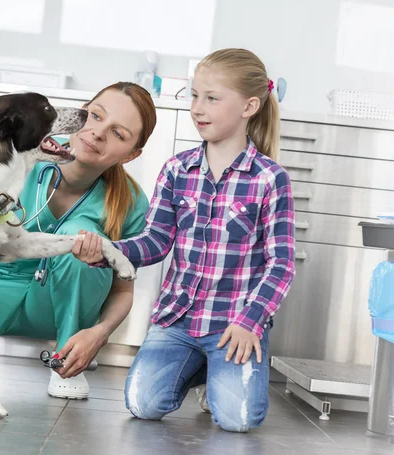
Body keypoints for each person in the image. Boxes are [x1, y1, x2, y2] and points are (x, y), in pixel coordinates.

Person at [78, 48, 296, 432]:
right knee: (142, 404)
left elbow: (281, 265)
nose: (198, 108)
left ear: (249, 106)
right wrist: (110, 252)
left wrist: (250, 321)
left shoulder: (269, 178)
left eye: (212, 98)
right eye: (194, 95)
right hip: (178, 320)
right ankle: (203, 370)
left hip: (234, 323)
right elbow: (156, 241)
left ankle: (220, 368)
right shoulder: (178, 169)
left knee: (238, 420)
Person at [0, 82, 157, 400]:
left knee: (82, 233)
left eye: (119, 134)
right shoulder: (20, 150)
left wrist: (99, 334)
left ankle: (67, 361)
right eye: (95, 115)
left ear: (132, 154)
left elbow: (123, 291)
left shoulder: (130, 202)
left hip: (52, 304)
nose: (98, 132)